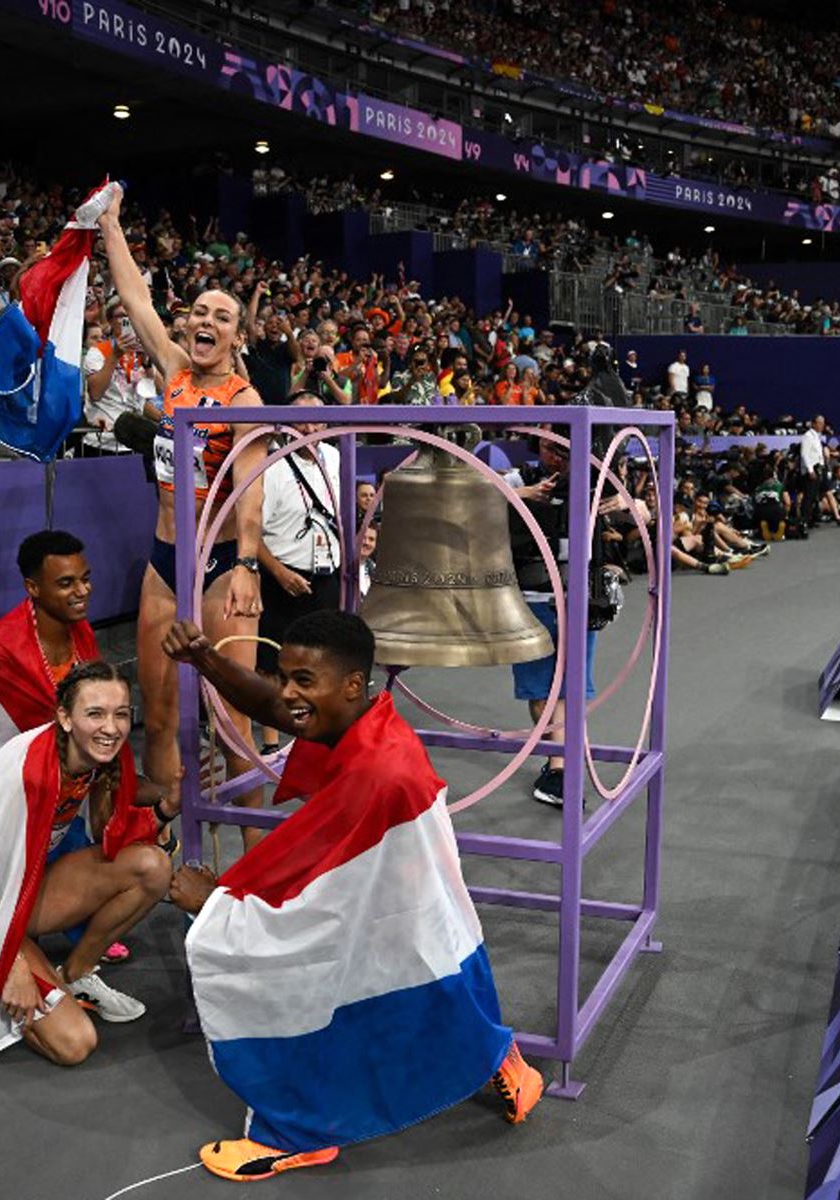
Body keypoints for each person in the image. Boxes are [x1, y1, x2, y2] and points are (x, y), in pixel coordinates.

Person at [161, 611, 542, 1182]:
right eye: (286, 676)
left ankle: (299, 1133)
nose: (289, 693)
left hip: (387, 866)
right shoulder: (364, 717)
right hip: (412, 875)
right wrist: (205, 659)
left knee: (317, 977)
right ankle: (498, 1056)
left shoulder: (374, 772)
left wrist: (215, 902)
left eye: (303, 681)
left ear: (352, 685)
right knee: (431, 952)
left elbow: (303, 893)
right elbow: (275, 706)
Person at [0, 530, 157, 1010]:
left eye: (86, 580)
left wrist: (148, 791)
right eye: (66, 584)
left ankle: (69, 957)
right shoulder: (0, 649)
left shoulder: (78, 631)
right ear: (33, 589)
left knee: (68, 828)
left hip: (48, 768)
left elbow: (77, 728)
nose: (82, 592)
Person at [95, 181, 268, 838]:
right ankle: (172, 851)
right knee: (160, 714)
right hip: (167, 560)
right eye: (198, 311)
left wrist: (249, 563)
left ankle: (255, 861)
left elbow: (252, 486)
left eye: (221, 316)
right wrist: (111, 222)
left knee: (232, 720)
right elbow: (136, 296)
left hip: (224, 564)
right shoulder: (171, 368)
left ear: (237, 334)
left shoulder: (245, 401)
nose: (206, 321)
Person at [0, 660, 173, 1064]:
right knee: (74, 1044)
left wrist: (167, 809)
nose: (111, 727)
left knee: (152, 868)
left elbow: (112, 836)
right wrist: (11, 965)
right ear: (65, 718)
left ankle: (74, 975)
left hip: (26, 886)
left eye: (121, 714)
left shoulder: (101, 758)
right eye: (95, 714)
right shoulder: (24, 774)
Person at [504, 434, 623, 807]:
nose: (556, 458)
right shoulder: (518, 479)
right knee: (540, 695)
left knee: (571, 690)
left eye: (564, 451)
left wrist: (626, 501)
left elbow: (647, 513)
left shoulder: (597, 482)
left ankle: (560, 769)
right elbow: (467, 498)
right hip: (531, 601)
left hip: (581, 602)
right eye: (549, 449)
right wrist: (519, 497)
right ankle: (559, 764)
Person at [256, 393, 342, 735]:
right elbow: (251, 533)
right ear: (285, 426)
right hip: (282, 580)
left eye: (316, 421)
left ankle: (317, 728)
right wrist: (279, 572)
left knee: (323, 659)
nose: (310, 428)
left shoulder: (335, 457)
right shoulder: (271, 467)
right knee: (275, 664)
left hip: (325, 576)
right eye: (300, 422)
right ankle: (273, 739)